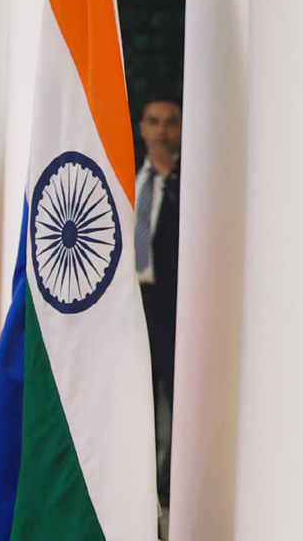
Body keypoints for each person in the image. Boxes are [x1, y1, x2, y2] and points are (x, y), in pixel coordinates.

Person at [134, 95, 181, 508]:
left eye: (170, 122)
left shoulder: (190, 179)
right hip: (133, 302)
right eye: (154, 121)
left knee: (176, 392)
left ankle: (171, 483)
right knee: (136, 395)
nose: (162, 131)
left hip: (172, 304)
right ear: (141, 127)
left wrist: (171, 178)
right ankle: (138, 482)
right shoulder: (126, 172)